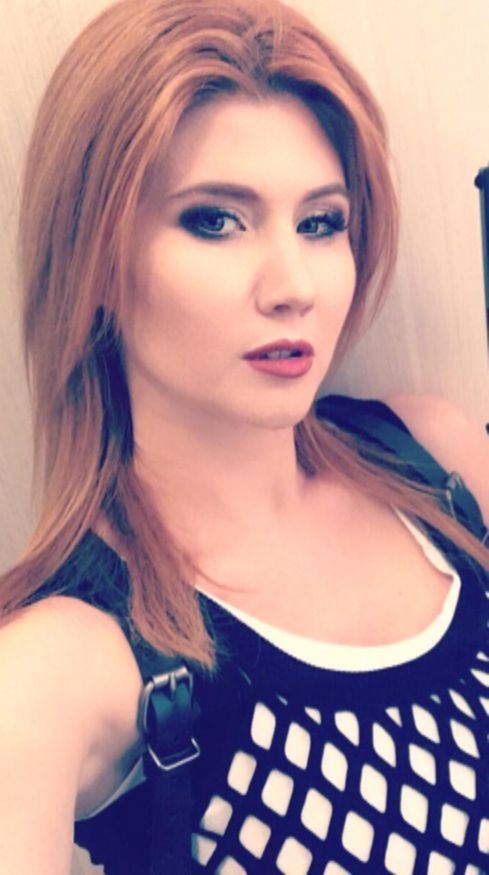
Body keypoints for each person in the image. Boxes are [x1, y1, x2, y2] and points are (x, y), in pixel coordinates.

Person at [0, 0, 488, 872]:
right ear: (94, 259)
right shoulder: (67, 659)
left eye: (320, 222)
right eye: (214, 220)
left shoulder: (433, 463)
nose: (293, 284)